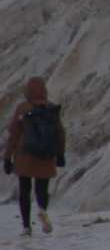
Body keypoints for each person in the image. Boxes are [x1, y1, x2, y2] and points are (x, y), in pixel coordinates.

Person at [3, 78, 66, 237]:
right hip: (46, 156)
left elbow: (13, 134)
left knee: (25, 190)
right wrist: (60, 154)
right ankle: (42, 210)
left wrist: (7, 157)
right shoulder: (51, 108)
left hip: (25, 155)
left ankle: (26, 227)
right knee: (42, 188)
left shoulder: (23, 108)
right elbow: (60, 133)